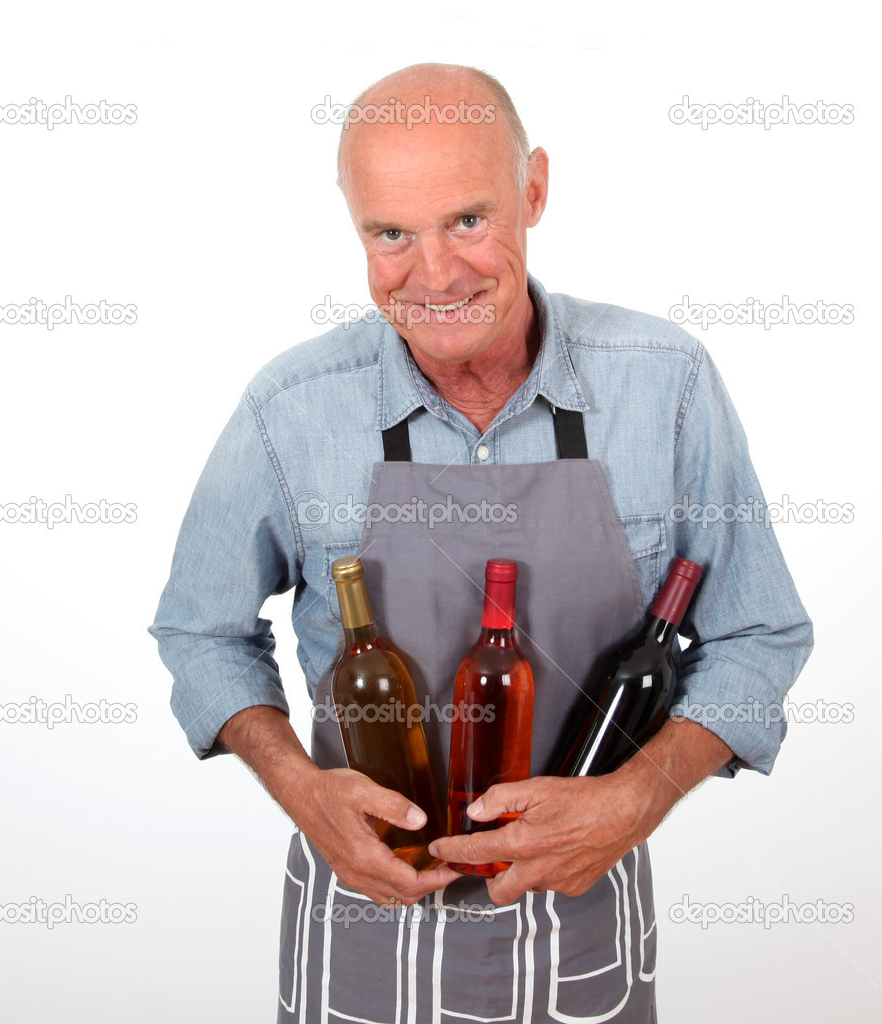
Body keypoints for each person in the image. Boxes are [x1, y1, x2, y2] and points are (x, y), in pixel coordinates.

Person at [150, 63, 813, 1023]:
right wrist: (298, 787)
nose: (436, 276)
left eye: (468, 219)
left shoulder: (664, 386)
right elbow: (200, 631)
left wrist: (633, 800)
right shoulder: (290, 410)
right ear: (355, 230)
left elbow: (759, 636)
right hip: (358, 935)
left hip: (581, 931)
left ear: (534, 188)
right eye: (390, 234)